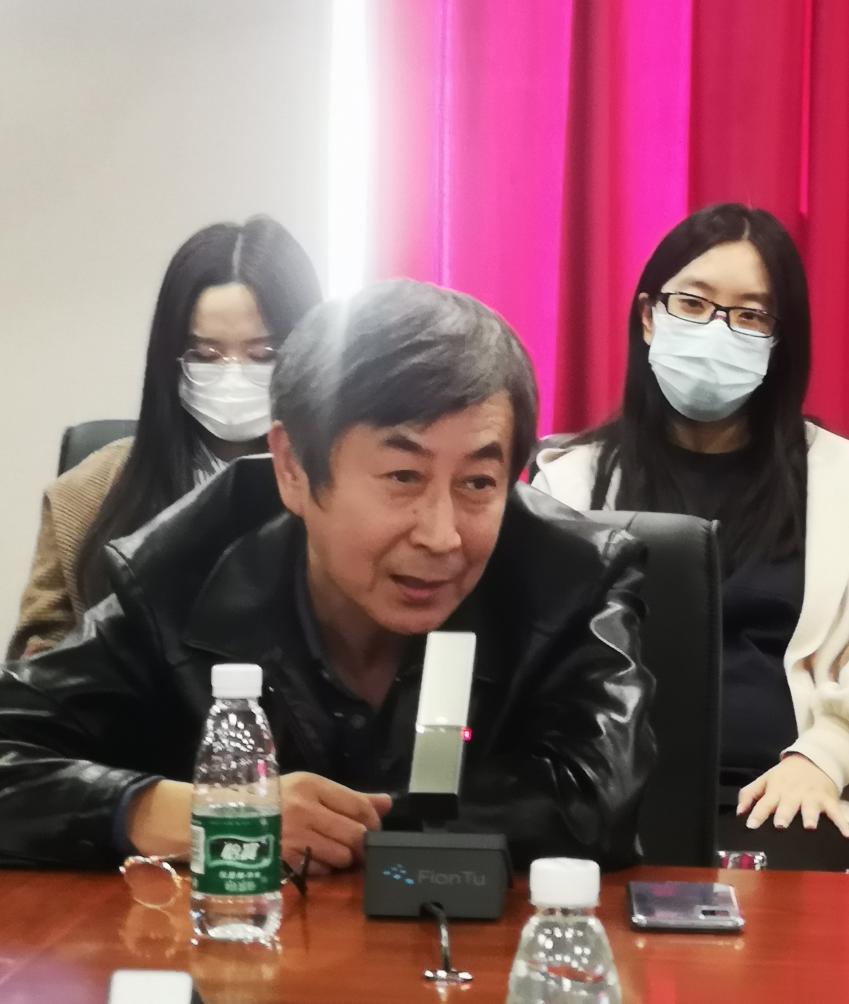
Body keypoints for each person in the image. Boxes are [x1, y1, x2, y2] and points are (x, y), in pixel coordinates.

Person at [0, 280, 654, 873]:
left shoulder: (574, 578)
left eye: (478, 483)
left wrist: (344, 827)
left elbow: (595, 804)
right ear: (292, 468)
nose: (441, 534)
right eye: (403, 476)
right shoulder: (179, 572)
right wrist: (200, 812)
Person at [534, 202, 849, 841]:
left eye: (751, 315)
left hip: (782, 797)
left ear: (779, 341)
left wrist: (824, 755)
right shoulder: (567, 484)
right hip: (604, 799)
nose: (717, 330)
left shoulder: (837, 479)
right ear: (650, 316)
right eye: (694, 304)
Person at [8, 216, 322, 660]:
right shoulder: (82, 498)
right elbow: (35, 675)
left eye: (263, 354)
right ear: (169, 358)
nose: (232, 374)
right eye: (205, 355)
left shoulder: (344, 488)